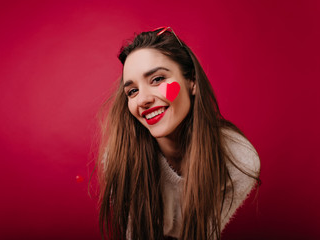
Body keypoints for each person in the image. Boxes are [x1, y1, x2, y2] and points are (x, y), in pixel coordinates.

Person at [97, 27, 261, 240]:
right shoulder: (119, 160)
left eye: (157, 79)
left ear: (192, 82)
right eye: (132, 91)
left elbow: (203, 233)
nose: (143, 99)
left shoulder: (239, 159)